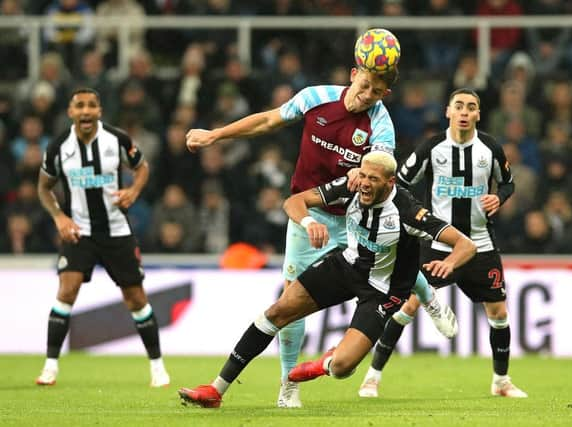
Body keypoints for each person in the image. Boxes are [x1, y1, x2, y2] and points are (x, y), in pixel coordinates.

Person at [184, 31, 456, 408]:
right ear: (353, 73)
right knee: (290, 299)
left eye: (376, 92)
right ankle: (288, 384)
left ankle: (429, 297)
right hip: (310, 214)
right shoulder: (315, 98)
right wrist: (216, 135)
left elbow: (370, 176)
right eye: (364, 85)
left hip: (355, 219)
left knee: (393, 255)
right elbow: (267, 121)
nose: (367, 96)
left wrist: (349, 184)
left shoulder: (381, 126)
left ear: (384, 95)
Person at [177, 151, 476, 409]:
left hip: (382, 291)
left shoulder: (410, 213)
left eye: (374, 179)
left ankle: (325, 363)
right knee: (277, 312)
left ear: (390, 182)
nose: (365, 184)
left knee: (343, 367)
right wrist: (309, 221)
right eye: (364, 175)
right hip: (346, 266)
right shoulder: (351, 185)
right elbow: (294, 201)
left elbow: (466, 245)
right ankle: (216, 389)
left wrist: (448, 263)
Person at [358, 88, 528, 399]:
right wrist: (417, 219)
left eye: (472, 107)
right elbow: (402, 184)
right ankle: (372, 377)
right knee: (406, 305)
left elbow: (509, 182)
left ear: (478, 114)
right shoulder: (431, 147)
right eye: (459, 106)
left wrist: (499, 198)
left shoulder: (489, 148)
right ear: (448, 112)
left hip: (480, 244)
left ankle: (501, 381)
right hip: (438, 244)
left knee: (499, 312)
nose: (465, 112)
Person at [35, 88, 170, 387]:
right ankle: (50, 367)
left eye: (91, 106)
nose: (85, 111)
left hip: (116, 232)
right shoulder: (58, 147)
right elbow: (43, 187)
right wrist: (59, 217)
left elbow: (142, 167)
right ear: (70, 112)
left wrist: (133, 191)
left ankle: (158, 368)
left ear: (99, 111)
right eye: (79, 106)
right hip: (79, 232)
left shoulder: (116, 140)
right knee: (66, 291)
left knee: (135, 298)